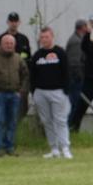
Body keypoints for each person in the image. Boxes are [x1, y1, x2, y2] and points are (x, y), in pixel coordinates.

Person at [27, 26, 73, 159]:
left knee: (60, 120)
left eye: (46, 37)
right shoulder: (37, 55)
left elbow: (66, 72)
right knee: (47, 121)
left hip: (58, 91)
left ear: (52, 37)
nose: (44, 39)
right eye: (42, 37)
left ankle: (65, 148)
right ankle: (54, 149)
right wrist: (34, 91)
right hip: (41, 92)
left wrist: (65, 90)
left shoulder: (60, 52)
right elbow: (32, 75)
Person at [0, 30, 28, 155]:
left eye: (11, 43)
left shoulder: (18, 58)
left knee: (12, 123)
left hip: (14, 95)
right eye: (7, 43)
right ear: (1, 44)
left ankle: (10, 147)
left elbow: (25, 75)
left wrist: (21, 91)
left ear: (14, 45)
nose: (9, 45)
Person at [65, 18, 91, 130]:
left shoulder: (78, 39)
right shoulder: (76, 41)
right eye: (87, 26)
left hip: (74, 77)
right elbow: (74, 62)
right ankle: (68, 128)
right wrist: (79, 77)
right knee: (73, 104)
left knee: (74, 104)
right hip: (75, 79)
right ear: (83, 27)